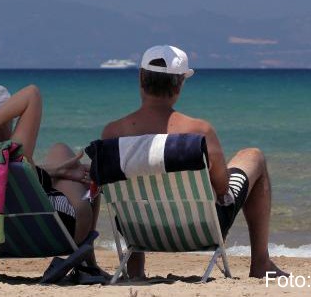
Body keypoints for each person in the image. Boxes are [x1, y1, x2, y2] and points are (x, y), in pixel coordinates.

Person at [101, 45, 287, 280]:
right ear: (179, 84)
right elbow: (221, 189)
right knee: (253, 156)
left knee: (132, 190)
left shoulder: (111, 133)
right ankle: (261, 263)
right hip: (201, 230)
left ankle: (135, 267)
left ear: (141, 77)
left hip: (139, 231)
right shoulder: (198, 131)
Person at [0, 83, 106, 276]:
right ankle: (88, 262)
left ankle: (89, 263)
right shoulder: (12, 150)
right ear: (1, 119)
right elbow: (32, 93)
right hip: (59, 232)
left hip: (6, 240)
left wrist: (55, 171)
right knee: (87, 172)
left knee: (61, 155)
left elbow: (16, 175)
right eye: (10, 116)